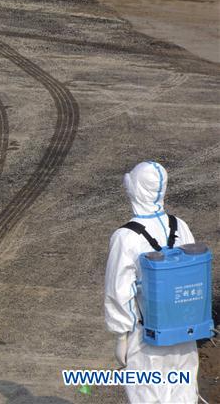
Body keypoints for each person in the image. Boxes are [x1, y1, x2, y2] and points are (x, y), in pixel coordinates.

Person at [104, 161, 199, 404]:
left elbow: (119, 292)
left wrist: (121, 336)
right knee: (184, 395)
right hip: (184, 333)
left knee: (149, 396)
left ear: (135, 189)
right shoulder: (181, 226)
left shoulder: (126, 237)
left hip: (148, 338)